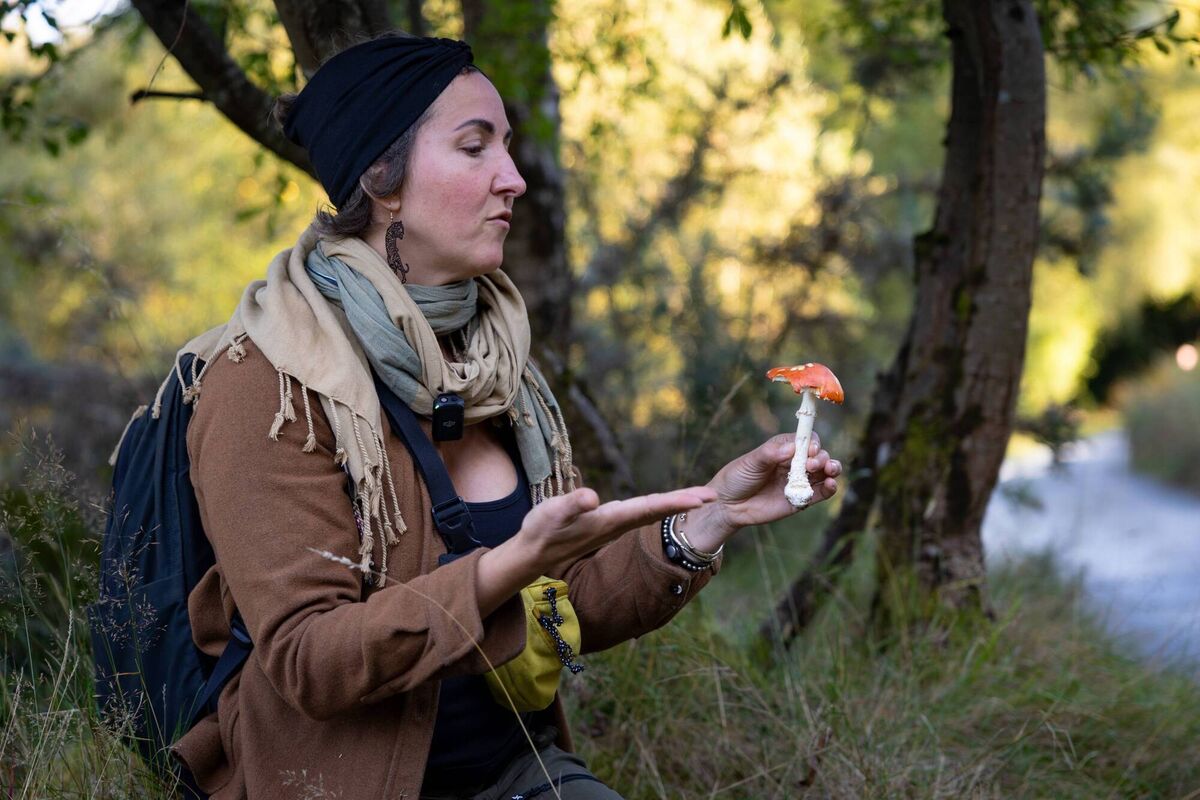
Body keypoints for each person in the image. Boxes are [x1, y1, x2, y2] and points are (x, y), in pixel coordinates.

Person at [168, 34, 841, 800]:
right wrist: (498, 572)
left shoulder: (500, 364)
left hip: (514, 775)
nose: (513, 180)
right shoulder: (270, 378)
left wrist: (708, 520)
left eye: (509, 149)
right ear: (381, 178)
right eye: (474, 147)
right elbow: (307, 662)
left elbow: (567, 601)